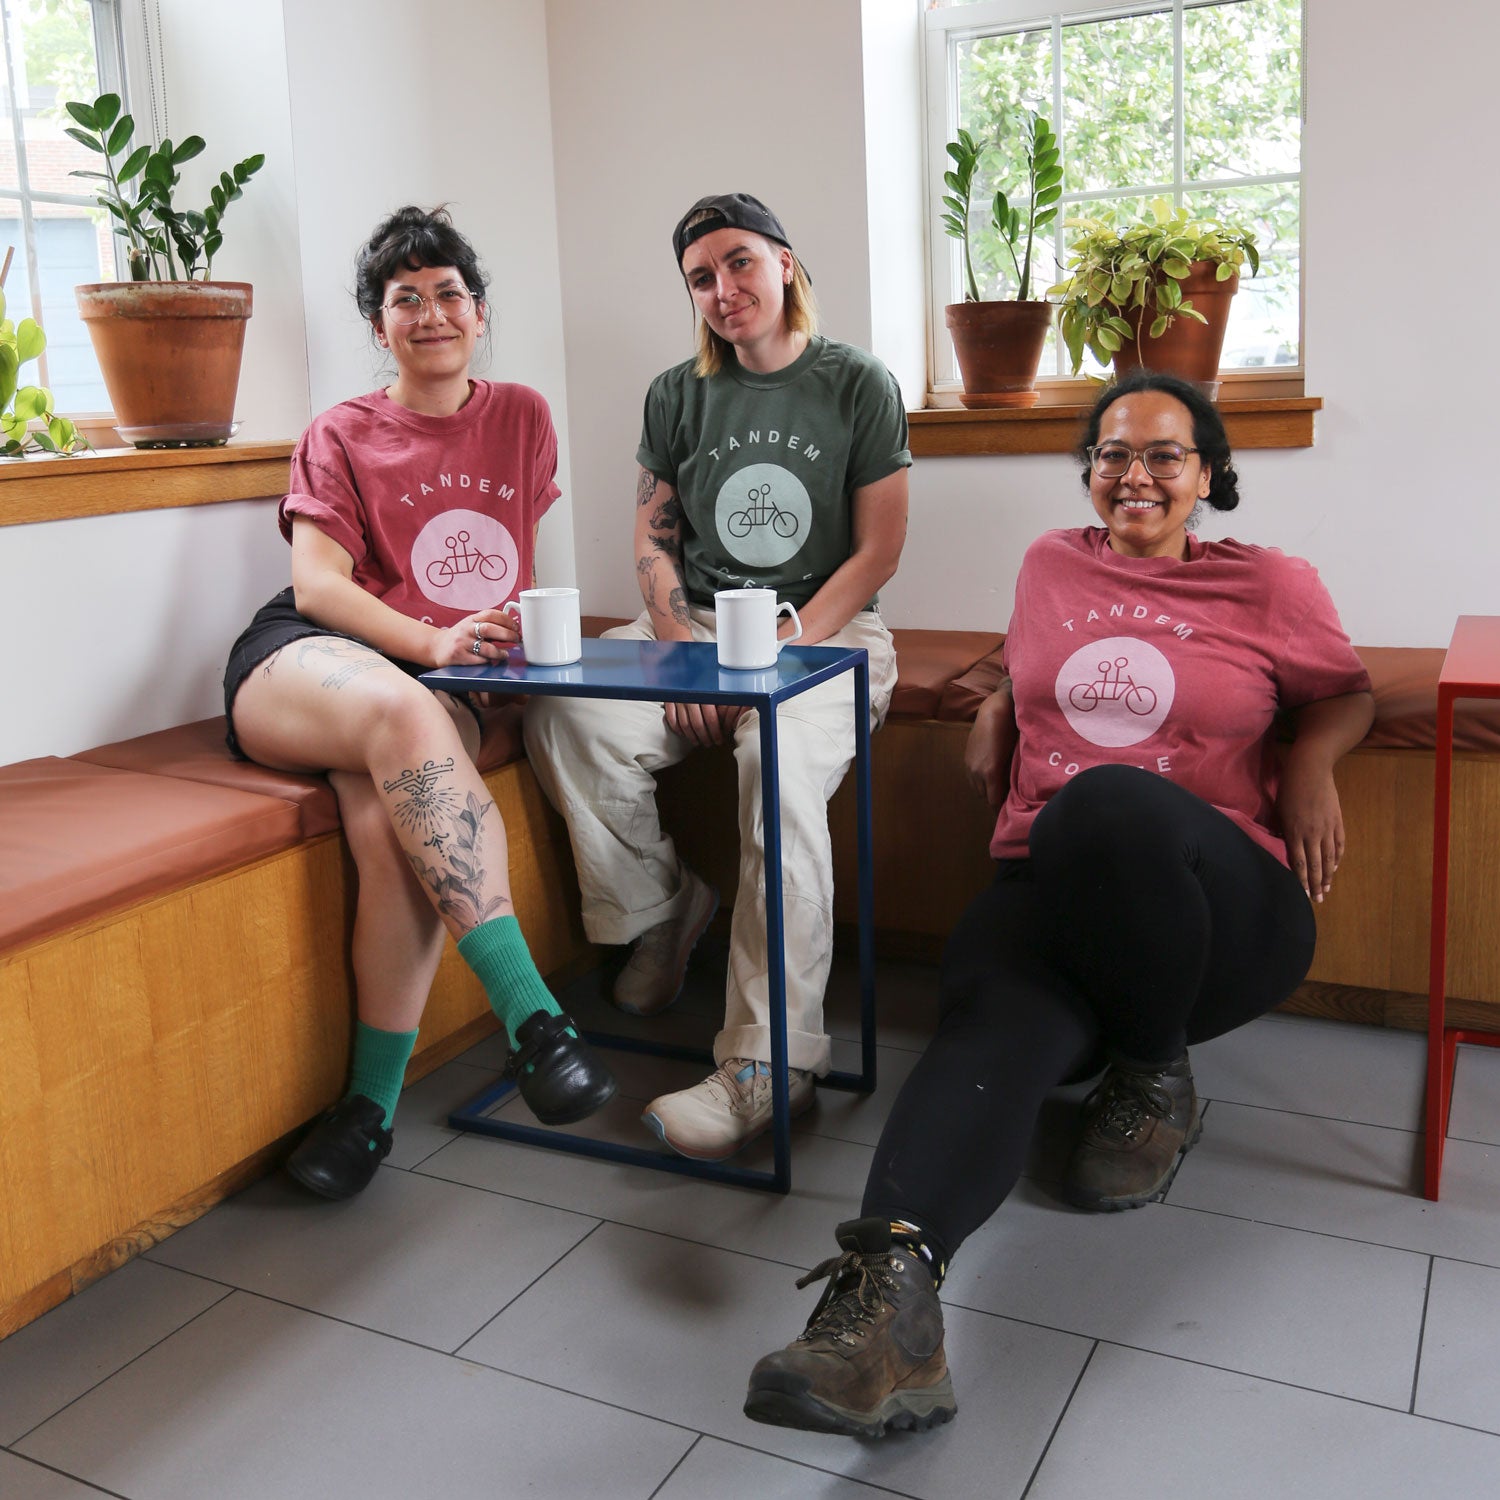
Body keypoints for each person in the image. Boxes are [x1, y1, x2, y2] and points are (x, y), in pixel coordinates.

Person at [743, 369, 1375, 1437]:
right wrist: (993, 697)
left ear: (1210, 474)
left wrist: (1312, 762)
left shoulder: (1270, 584)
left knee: (1105, 805)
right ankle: (889, 1304)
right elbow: (1042, 658)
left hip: (1226, 915)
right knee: (991, 1017)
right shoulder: (1048, 564)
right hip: (1052, 890)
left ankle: (1156, 1067)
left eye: (1164, 455)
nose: (1135, 474)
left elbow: (1346, 689)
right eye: (1113, 454)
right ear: (1089, 471)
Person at [223, 205, 615, 1201]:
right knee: (404, 719)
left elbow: (507, 565)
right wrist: (434, 644)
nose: (432, 313)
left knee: (387, 835)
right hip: (316, 662)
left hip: (449, 687)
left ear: (480, 314)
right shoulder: (340, 432)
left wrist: (502, 651)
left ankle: (368, 1110)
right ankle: (536, 1022)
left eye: (449, 295)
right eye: (407, 299)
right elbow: (318, 587)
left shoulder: (522, 414)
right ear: (378, 325)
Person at [524, 193, 909, 1160]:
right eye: (702, 277)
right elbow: (653, 540)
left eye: (739, 264)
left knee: (773, 769)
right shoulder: (674, 395)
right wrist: (683, 650)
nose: (723, 289)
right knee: (567, 711)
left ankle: (768, 1062)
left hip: (829, 633)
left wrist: (773, 658)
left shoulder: (859, 382)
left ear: (785, 263)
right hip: (696, 631)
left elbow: (877, 553)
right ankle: (662, 913)